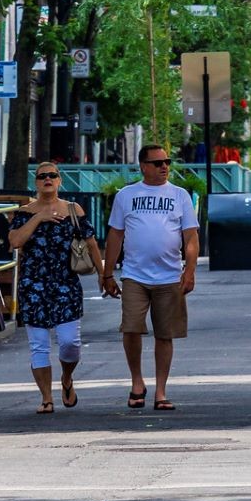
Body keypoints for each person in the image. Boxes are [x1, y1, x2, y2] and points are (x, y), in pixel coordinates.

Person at [102, 144, 199, 411]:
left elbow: (190, 236)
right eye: (157, 163)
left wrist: (189, 270)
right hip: (134, 274)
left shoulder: (180, 196)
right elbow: (115, 235)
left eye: (167, 161)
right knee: (131, 327)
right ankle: (136, 381)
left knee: (164, 334)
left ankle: (161, 391)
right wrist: (107, 273)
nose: (164, 167)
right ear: (143, 166)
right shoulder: (126, 195)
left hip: (169, 275)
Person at [9, 161, 103, 414]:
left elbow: (91, 243)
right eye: (42, 176)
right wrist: (39, 217)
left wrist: (104, 275)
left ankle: (67, 378)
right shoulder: (25, 212)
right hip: (33, 286)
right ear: (36, 182)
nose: (47, 179)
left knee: (70, 343)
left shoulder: (73, 210)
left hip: (65, 284)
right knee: (39, 345)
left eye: (52, 176)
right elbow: (15, 240)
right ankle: (46, 398)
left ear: (60, 181)